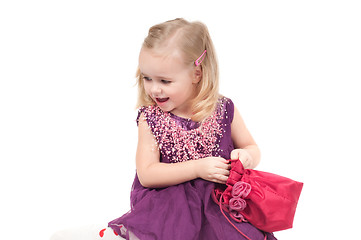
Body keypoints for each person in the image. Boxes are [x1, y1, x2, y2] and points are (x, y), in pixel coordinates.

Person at [51, 18, 276, 240]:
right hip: (170, 210)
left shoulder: (224, 109)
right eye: (147, 78)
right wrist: (197, 168)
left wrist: (246, 156)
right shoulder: (151, 119)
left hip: (220, 209)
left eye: (165, 81)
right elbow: (147, 173)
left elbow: (251, 147)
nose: (154, 89)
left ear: (196, 74)